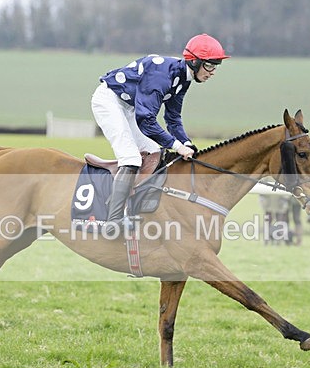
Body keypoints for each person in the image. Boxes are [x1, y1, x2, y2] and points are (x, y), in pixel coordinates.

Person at [91, 33, 229, 237]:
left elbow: (173, 118)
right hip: (109, 101)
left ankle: (141, 209)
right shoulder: (161, 75)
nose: (213, 72)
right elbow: (146, 120)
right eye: (210, 65)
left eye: (216, 66)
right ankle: (114, 220)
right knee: (131, 158)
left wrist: (186, 143)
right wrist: (176, 145)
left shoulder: (183, 78)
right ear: (195, 61)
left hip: (130, 107)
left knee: (155, 152)